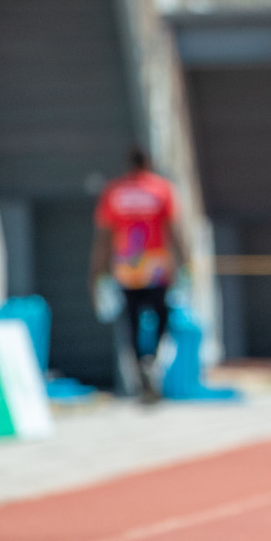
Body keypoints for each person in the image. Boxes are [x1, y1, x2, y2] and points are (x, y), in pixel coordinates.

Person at [89, 145, 187, 403]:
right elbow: (174, 230)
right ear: (148, 163)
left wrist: (96, 273)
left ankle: (138, 367)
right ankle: (152, 359)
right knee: (162, 315)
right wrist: (186, 263)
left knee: (131, 321)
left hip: (127, 265)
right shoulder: (161, 189)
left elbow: (103, 238)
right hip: (155, 265)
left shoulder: (114, 192)